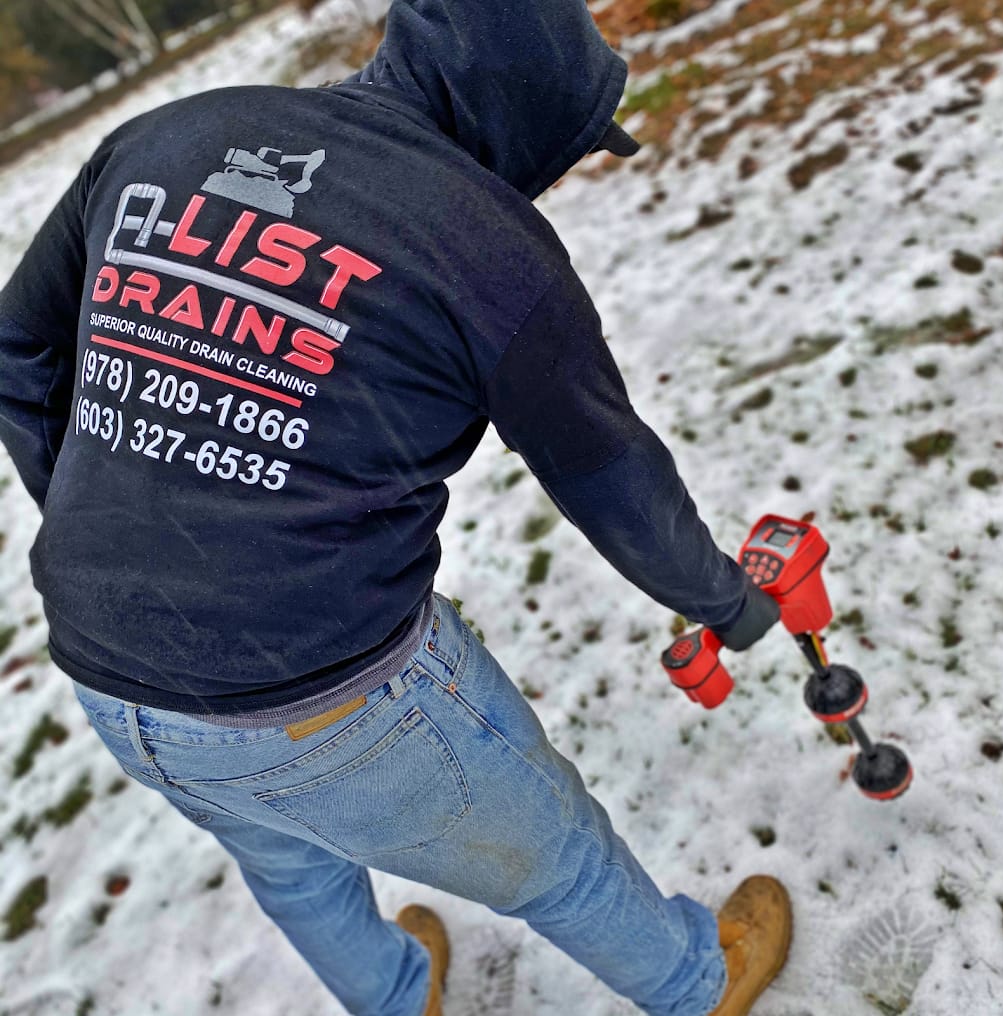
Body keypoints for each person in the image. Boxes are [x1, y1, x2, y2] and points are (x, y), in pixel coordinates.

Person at [0, 2, 792, 1013]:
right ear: (521, 117)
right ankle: (697, 982)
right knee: (556, 858)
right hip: (330, 701)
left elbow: (17, 348)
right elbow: (612, 479)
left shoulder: (171, 135)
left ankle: (394, 993)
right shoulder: (486, 242)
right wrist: (725, 601)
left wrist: (104, 524)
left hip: (111, 678)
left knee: (291, 864)